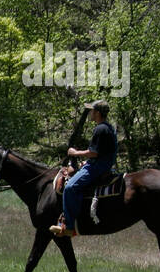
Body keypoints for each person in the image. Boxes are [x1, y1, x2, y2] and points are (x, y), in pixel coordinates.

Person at [50, 99, 118, 237]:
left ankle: (68, 226)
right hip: (102, 164)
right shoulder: (109, 127)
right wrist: (86, 162)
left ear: (97, 113)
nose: (90, 113)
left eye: (91, 110)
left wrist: (75, 153)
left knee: (70, 188)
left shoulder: (100, 129)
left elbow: (94, 153)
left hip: (98, 166)